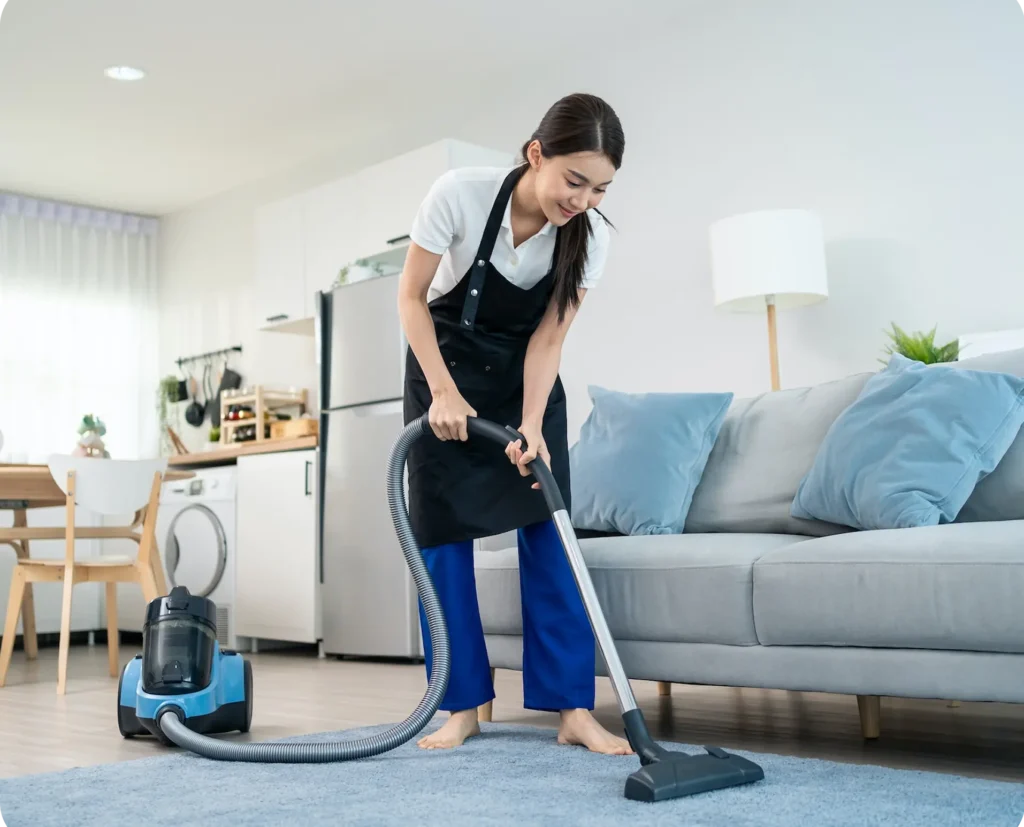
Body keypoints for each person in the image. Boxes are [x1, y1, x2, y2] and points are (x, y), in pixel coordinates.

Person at [397, 93, 630, 755]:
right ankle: (463, 703)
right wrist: (442, 392)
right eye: (574, 180)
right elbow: (411, 297)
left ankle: (572, 709)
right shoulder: (459, 197)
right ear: (536, 155)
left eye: (601, 187)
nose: (583, 199)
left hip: (526, 382)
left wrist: (531, 423)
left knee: (549, 530)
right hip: (443, 369)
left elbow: (549, 340)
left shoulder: (592, 238)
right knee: (441, 535)